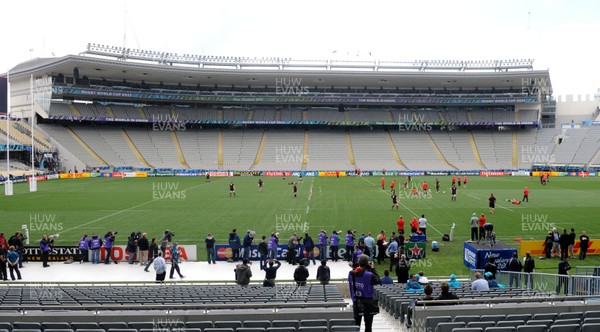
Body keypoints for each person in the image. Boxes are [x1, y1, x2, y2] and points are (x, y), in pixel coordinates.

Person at [348, 255, 381, 332]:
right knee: (368, 326)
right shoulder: (369, 275)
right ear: (367, 264)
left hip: (356, 301)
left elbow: (357, 272)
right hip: (368, 302)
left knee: (356, 325)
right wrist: (372, 268)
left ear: (358, 263)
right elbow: (378, 280)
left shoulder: (351, 274)